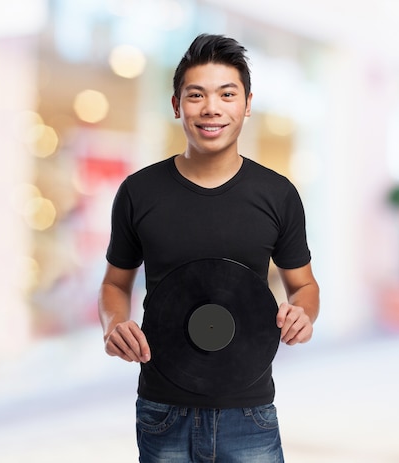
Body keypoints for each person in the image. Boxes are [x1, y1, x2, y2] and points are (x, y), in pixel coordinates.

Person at [98, 33, 320, 462]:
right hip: (162, 409)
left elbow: (305, 286)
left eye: (226, 94)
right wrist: (113, 324)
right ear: (177, 104)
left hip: (250, 410)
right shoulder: (138, 192)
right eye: (196, 94)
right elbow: (114, 282)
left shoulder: (278, 195)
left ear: (247, 104)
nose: (211, 108)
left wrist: (303, 315)